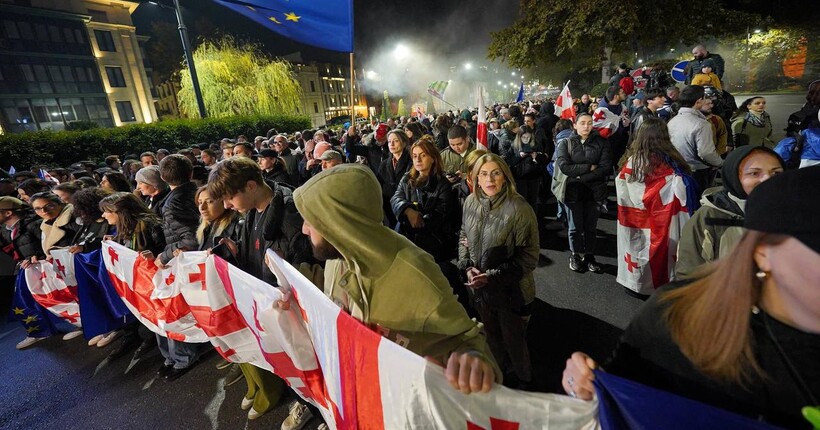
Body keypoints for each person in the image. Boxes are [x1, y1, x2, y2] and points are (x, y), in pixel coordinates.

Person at [561, 165, 820, 429]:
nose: (763, 178)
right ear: (763, 251)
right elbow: (619, 395)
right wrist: (587, 387)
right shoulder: (679, 319)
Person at [287, 163, 501, 426]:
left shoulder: (416, 274)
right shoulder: (339, 257)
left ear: (338, 223)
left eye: (312, 221)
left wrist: (474, 362)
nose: (305, 230)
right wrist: (294, 299)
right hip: (359, 404)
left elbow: (469, 342)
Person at [458, 153, 539, 389]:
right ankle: (499, 380)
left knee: (515, 344)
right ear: (475, 178)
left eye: (495, 173)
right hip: (481, 291)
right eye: (483, 174)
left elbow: (529, 257)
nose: (489, 179)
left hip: (511, 293)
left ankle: (525, 387)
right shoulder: (471, 202)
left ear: (505, 176)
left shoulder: (519, 209)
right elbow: (463, 235)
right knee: (491, 339)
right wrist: (467, 268)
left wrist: (491, 276)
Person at [675, 146, 784, 278]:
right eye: (754, 173)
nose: (768, 180)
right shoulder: (709, 218)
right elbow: (689, 276)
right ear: (734, 177)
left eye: (776, 173)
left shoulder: (794, 211)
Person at [616, 118, 694, 295]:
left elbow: (624, 189)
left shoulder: (631, 161)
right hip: (662, 218)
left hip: (634, 218)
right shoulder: (672, 162)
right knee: (662, 252)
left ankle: (636, 282)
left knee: (635, 247)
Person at [151, 155, 208, 381]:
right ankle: (176, 356)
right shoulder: (191, 193)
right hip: (188, 261)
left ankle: (183, 357)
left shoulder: (173, 203)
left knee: (175, 311)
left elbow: (189, 239)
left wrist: (165, 255)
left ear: (163, 178)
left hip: (183, 262)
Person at [556, 112, 612, 273]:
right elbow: (564, 166)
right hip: (573, 192)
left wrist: (580, 175)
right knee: (574, 227)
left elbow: (606, 167)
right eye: (582, 123)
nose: (586, 126)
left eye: (589, 122)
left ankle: (589, 256)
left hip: (595, 192)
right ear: (575, 125)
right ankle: (575, 254)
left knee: (590, 227)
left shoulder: (602, 142)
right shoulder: (565, 143)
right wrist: (589, 167)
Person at [668, 85, 723, 195]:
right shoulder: (701, 124)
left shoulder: (672, 121)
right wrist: (720, 162)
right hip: (698, 172)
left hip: (677, 169)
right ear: (698, 101)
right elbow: (706, 152)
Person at [379, 130, 412, 228]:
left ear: (404, 142)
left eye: (396, 141)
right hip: (388, 207)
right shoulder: (384, 164)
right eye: (389, 141)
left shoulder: (411, 161)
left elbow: (407, 186)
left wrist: (387, 188)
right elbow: (378, 184)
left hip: (406, 206)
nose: (391, 144)